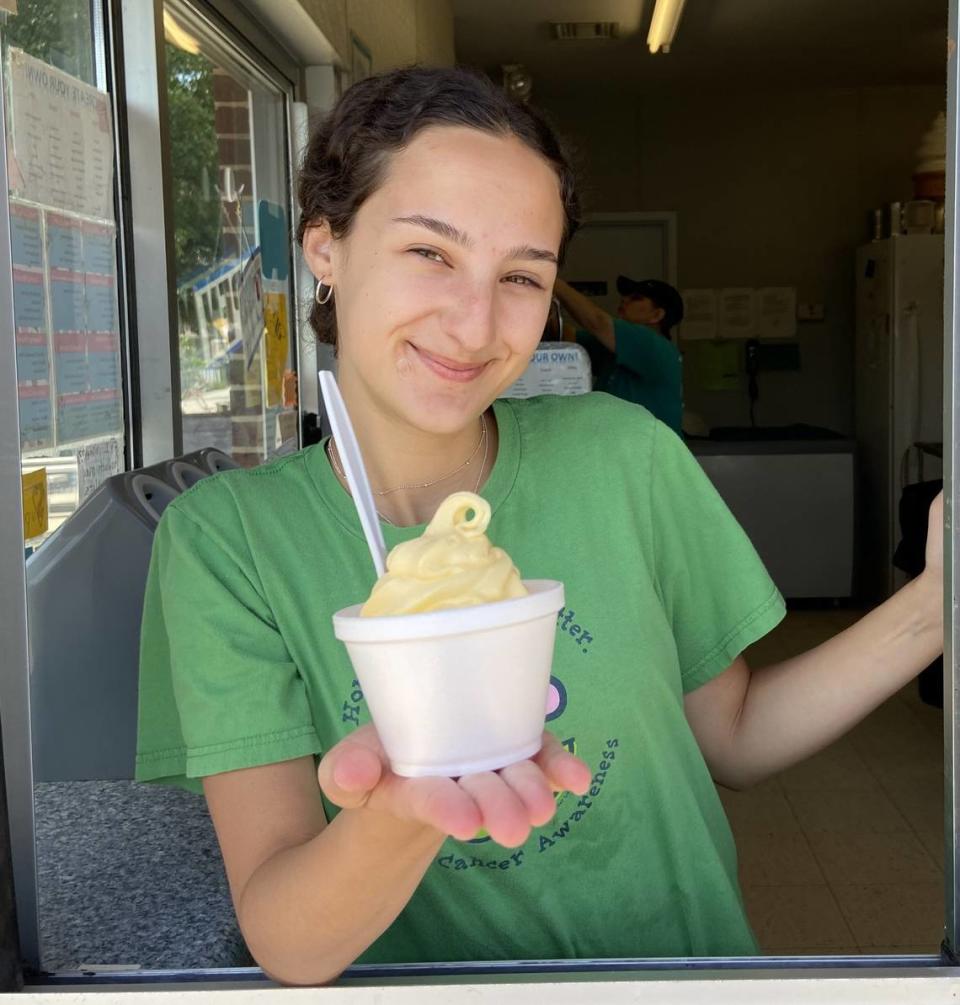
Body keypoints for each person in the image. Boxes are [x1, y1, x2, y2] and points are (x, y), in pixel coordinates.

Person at [135, 66, 943, 985]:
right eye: (430, 253)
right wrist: (403, 812)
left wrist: (934, 604)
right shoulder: (228, 541)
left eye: (522, 275)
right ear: (326, 245)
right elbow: (286, 934)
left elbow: (738, 737)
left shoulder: (621, 455)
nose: (476, 324)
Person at [554, 275, 684, 433]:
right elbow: (567, 336)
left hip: (644, 452)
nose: (624, 300)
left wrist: (554, 282)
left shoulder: (653, 345)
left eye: (636, 298)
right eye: (626, 296)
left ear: (657, 315)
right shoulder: (617, 348)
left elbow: (597, 322)